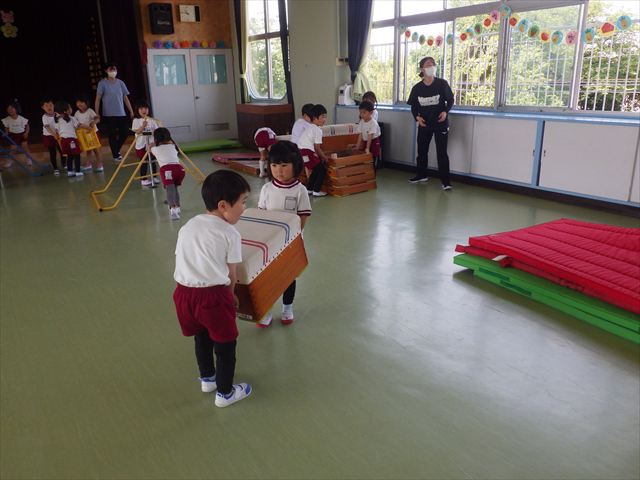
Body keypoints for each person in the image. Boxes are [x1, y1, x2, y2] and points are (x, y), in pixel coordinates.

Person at [173, 170, 253, 408]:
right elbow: (231, 274)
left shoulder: (188, 226)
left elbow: (183, 258)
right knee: (225, 344)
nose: (245, 208)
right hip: (213, 297)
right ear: (223, 206)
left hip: (183, 295)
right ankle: (225, 393)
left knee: (202, 336)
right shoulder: (230, 233)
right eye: (243, 202)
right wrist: (232, 296)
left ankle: (208, 379)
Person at [255, 141, 311, 328]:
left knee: (288, 277)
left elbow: (303, 216)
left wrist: (294, 237)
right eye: (274, 165)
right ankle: (267, 309)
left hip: (291, 243)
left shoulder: (300, 190)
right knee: (268, 279)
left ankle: (287, 307)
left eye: (284, 165)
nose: (279, 170)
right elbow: (261, 214)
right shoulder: (267, 189)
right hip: (269, 243)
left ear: (296, 165)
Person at [407, 56, 454, 190]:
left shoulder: (442, 84)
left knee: (442, 153)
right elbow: (413, 106)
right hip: (424, 124)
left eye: (433, 64)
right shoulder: (417, 88)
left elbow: (450, 100)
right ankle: (421, 175)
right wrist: (417, 118)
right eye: (428, 64)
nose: (431, 66)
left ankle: (446, 182)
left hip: (440, 123)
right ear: (422, 69)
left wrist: (445, 112)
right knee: (422, 151)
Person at [94, 62, 134, 162]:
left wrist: (131, 111)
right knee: (112, 135)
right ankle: (116, 155)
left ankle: (116, 150)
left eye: (114, 69)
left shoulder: (121, 83)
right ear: (106, 71)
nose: (113, 71)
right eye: (110, 69)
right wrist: (97, 113)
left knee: (125, 132)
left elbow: (125, 98)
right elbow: (98, 99)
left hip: (121, 113)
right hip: (108, 114)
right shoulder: (102, 83)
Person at [151, 127, 186, 220]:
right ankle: (177, 207)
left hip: (167, 170)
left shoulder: (155, 149)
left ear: (156, 138)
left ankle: (173, 210)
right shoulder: (173, 146)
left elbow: (148, 149)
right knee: (175, 189)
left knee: (169, 190)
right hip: (180, 169)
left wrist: (151, 144)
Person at [296, 104, 328, 197]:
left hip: (301, 152)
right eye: (323, 117)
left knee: (315, 170)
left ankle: (309, 189)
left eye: (325, 117)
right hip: (308, 151)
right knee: (322, 169)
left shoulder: (309, 127)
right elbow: (317, 148)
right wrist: (324, 157)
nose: (325, 119)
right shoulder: (317, 130)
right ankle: (316, 190)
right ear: (315, 118)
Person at [131, 100, 160, 187]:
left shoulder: (152, 120)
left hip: (151, 145)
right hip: (141, 145)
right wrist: (143, 126)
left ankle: (154, 177)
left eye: (146, 108)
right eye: (141, 108)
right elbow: (137, 131)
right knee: (144, 162)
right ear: (137, 110)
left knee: (153, 161)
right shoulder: (136, 120)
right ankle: (143, 179)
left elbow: (156, 131)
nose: (144, 110)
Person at [74, 95, 103, 172]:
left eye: (81, 102)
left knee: (96, 149)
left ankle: (100, 164)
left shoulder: (90, 111)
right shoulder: (77, 113)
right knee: (88, 149)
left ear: (86, 103)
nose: (79, 104)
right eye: (78, 102)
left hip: (93, 133)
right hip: (84, 134)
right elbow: (75, 123)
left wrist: (94, 122)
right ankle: (88, 164)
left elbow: (97, 119)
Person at [53, 101, 82, 177]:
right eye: (70, 107)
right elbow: (79, 126)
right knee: (77, 155)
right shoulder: (72, 118)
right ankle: (78, 171)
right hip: (72, 141)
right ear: (66, 111)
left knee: (69, 156)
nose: (71, 109)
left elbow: (56, 131)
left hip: (63, 142)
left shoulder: (58, 120)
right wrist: (88, 127)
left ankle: (70, 171)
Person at [1, 100, 32, 168]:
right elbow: (7, 128)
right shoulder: (7, 119)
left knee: (25, 147)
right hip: (13, 135)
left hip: (22, 134)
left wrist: (26, 133)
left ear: (16, 109)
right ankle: (9, 162)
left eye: (12, 108)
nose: (10, 110)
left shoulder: (21, 118)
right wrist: (6, 133)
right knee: (13, 149)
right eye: (8, 109)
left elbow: (27, 126)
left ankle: (29, 160)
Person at [40, 99, 61, 175]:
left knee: (62, 150)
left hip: (58, 135)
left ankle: (64, 164)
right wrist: (54, 134)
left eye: (50, 105)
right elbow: (47, 127)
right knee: (52, 152)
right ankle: (55, 168)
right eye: (46, 106)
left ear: (53, 105)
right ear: (43, 107)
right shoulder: (44, 117)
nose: (49, 107)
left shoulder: (57, 114)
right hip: (49, 136)